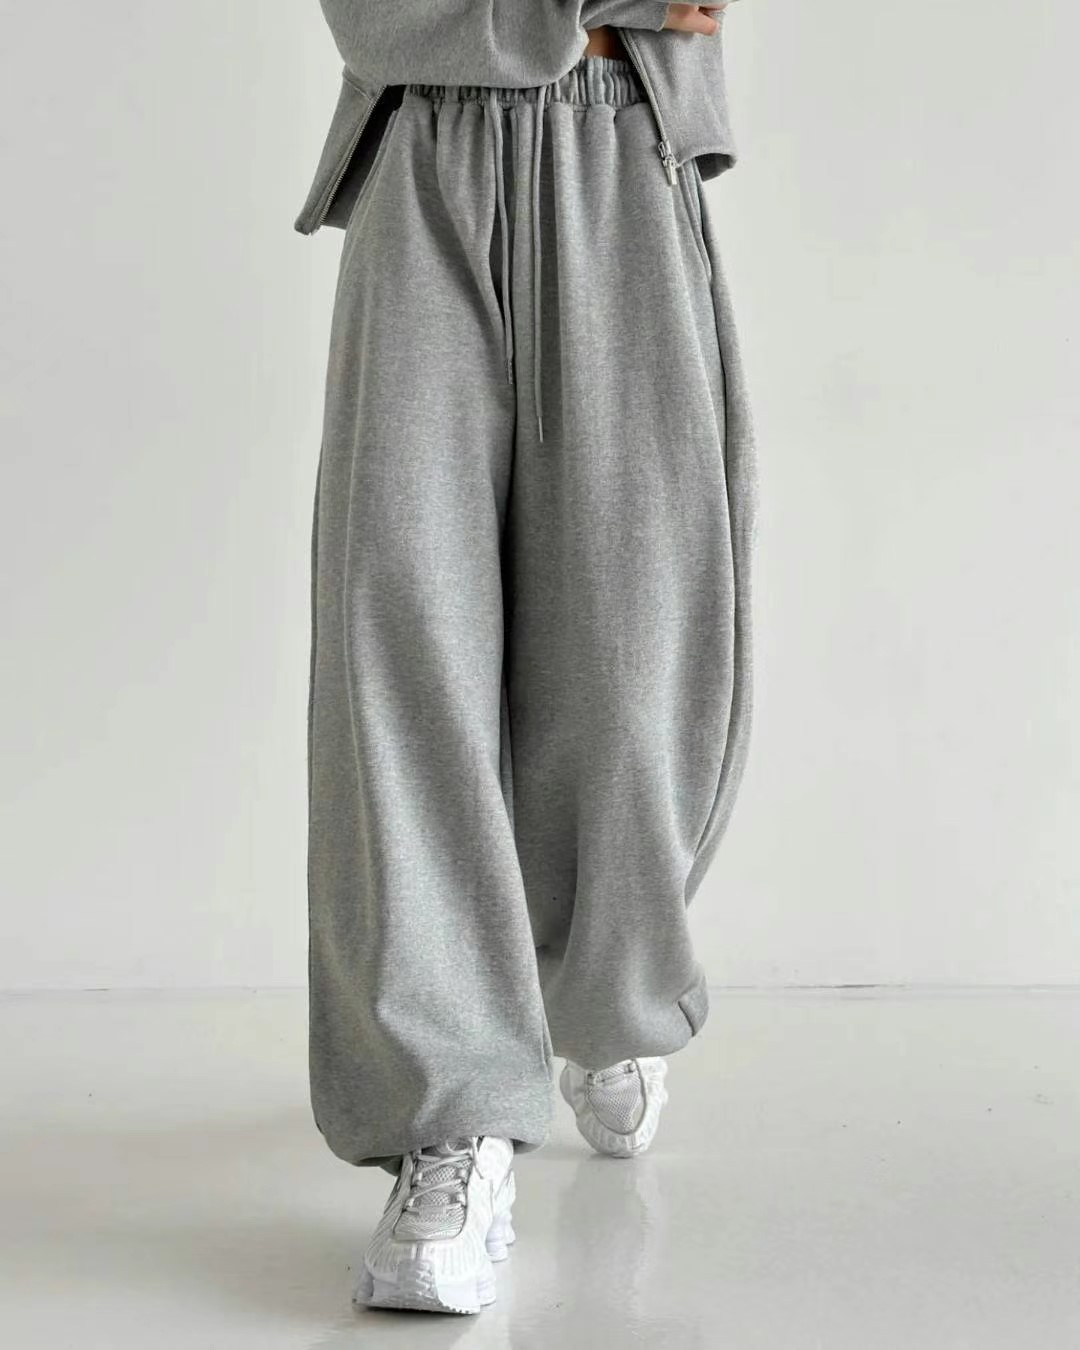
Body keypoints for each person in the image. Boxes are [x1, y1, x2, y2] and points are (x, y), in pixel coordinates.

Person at [296, 0, 758, 1315]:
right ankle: (453, 1113)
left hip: (624, 150)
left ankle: (607, 987)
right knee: (402, 642)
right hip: (426, 157)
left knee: (632, 642)